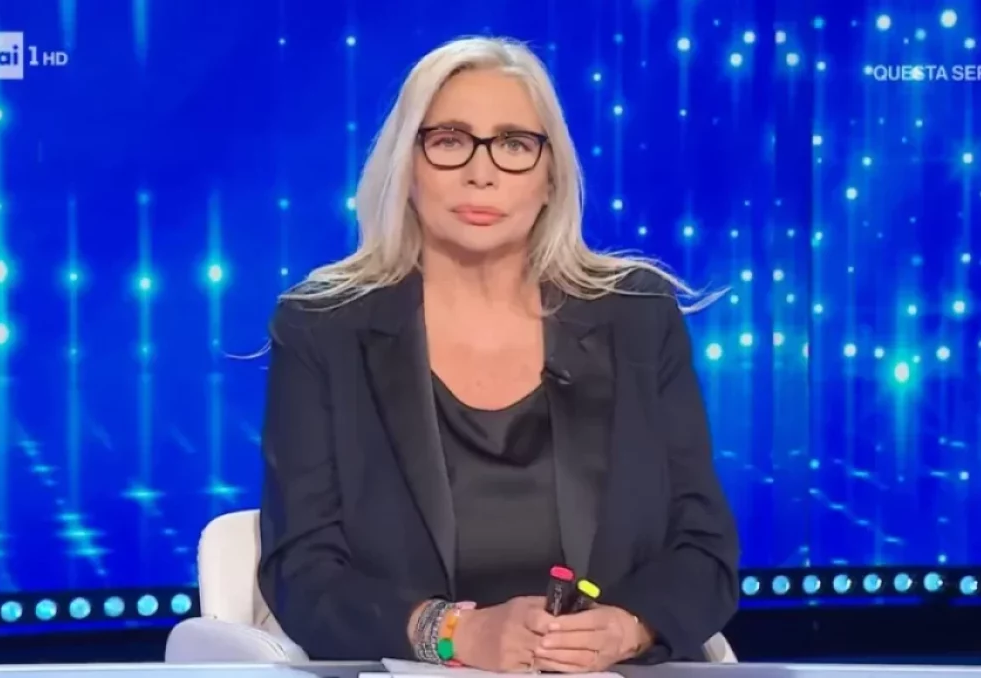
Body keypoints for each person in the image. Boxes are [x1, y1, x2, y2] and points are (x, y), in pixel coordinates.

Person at [257, 35, 739, 672]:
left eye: (513, 145)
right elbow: (302, 572)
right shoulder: (324, 326)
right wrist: (453, 633)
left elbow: (704, 549)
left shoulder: (635, 315)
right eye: (450, 140)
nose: (480, 172)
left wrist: (628, 628)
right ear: (407, 167)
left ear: (550, 176)